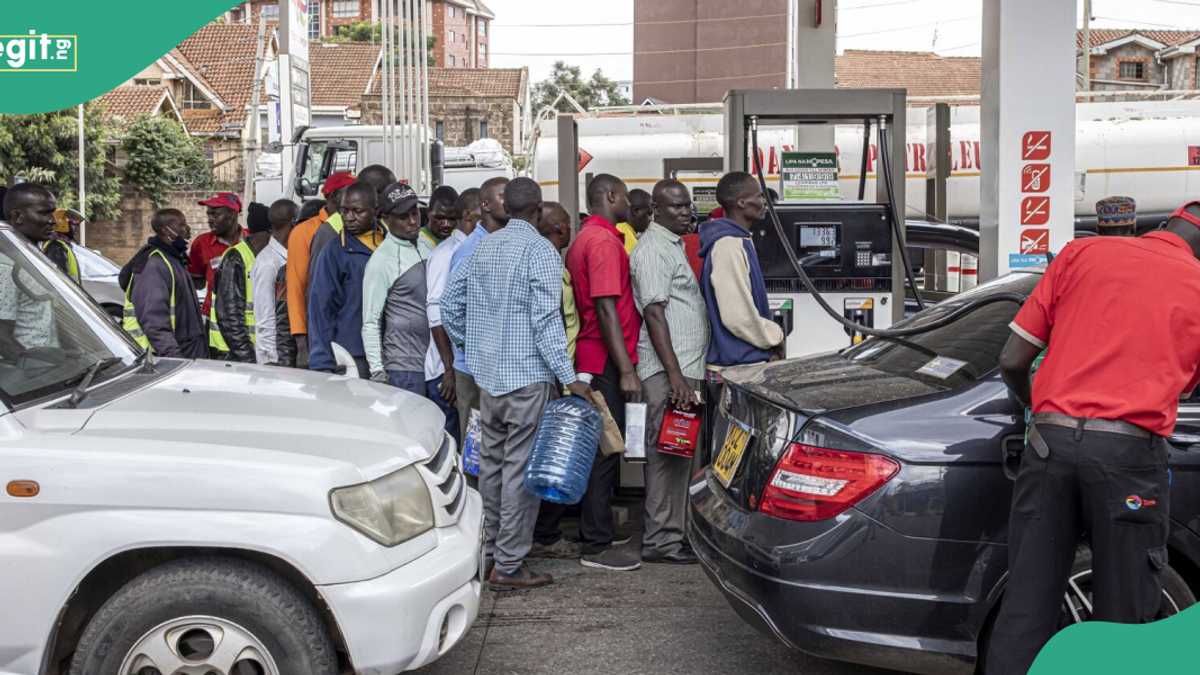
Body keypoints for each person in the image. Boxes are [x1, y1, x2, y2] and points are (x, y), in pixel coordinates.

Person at [984, 202, 1200, 674]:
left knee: (1026, 605)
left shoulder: (1080, 254)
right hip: (1127, 457)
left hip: (1048, 445)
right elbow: (1184, 386)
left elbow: (1012, 360)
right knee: (1126, 615)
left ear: (1161, 227)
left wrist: (1036, 412)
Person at [443, 177, 589, 590]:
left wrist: (473, 344)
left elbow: (451, 304)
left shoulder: (483, 244)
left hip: (489, 378)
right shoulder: (541, 250)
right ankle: (508, 565)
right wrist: (568, 377)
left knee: (489, 465)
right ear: (539, 210)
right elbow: (546, 324)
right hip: (527, 379)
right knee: (519, 472)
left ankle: (487, 550)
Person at [565, 173, 643, 572]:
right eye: (625, 197)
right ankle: (596, 546)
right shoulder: (601, 242)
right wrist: (627, 370)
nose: (629, 203)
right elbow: (606, 308)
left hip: (598, 356)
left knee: (603, 449)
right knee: (603, 452)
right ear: (611, 196)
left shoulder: (590, 237)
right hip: (603, 360)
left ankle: (600, 533)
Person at [629, 179, 708, 565]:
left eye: (686, 205)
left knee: (681, 459)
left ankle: (674, 535)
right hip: (668, 374)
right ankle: (661, 541)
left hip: (683, 369)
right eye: (675, 206)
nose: (684, 211)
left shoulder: (670, 246)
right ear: (656, 210)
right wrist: (676, 376)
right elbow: (654, 313)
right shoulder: (654, 250)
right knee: (666, 458)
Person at [699, 172, 783, 368]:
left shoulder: (740, 240)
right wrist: (774, 335)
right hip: (736, 366)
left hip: (745, 361)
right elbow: (737, 317)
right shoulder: (728, 246)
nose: (764, 202)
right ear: (742, 202)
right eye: (760, 196)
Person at [448, 177, 509, 442]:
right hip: (472, 370)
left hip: (499, 368)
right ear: (485, 204)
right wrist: (472, 344)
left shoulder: (506, 242)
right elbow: (450, 307)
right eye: (503, 196)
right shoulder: (470, 250)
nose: (510, 201)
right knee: (476, 448)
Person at [308, 182, 386, 377]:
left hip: (391, 351)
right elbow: (320, 308)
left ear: (376, 211)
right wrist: (322, 362)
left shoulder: (390, 243)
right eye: (344, 211)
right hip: (353, 356)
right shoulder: (334, 252)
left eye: (357, 211)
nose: (349, 218)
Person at [362, 183, 433, 393]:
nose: (412, 221)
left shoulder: (426, 245)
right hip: (404, 368)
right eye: (404, 217)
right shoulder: (381, 261)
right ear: (386, 219)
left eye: (415, 214)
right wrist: (377, 370)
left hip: (434, 364)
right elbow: (370, 320)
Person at [425, 188, 480, 443]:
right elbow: (436, 313)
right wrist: (449, 369)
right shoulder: (446, 254)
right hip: (447, 369)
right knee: (459, 441)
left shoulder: (471, 247)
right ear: (470, 215)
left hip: (462, 366)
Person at [119, 208, 207, 358]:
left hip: (189, 351)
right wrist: (175, 359)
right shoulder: (154, 265)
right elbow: (154, 323)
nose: (187, 229)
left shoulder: (174, 259)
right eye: (182, 225)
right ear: (166, 230)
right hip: (167, 357)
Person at [288, 171, 355, 366]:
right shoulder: (304, 232)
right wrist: (302, 345)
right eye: (349, 193)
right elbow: (297, 289)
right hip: (317, 335)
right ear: (333, 197)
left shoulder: (356, 226)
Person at [0, 184, 62, 358]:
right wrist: (30, 365)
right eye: (44, 213)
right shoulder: (6, 267)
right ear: (18, 216)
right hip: (29, 376)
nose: (53, 220)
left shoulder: (33, 260)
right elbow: (2, 337)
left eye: (52, 212)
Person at [210, 202, 273, 362]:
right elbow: (229, 316)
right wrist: (247, 358)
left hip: (253, 351)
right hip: (232, 353)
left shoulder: (262, 257)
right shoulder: (235, 258)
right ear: (269, 231)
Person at [309, 165, 396, 278]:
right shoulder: (329, 231)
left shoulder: (383, 226)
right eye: (388, 193)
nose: (393, 199)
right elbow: (320, 285)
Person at [252, 200, 298, 366]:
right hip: (275, 357)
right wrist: (271, 358)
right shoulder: (268, 262)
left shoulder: (287, 254)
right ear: (294, 221)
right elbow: (265, 314)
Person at [189, 192, 245, 318]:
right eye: (208, 214)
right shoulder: (201, 243)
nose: (210, 219)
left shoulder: (252, 240)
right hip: (213, 318)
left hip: (248, 317)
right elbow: (197, 280)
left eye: (215, 214)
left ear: (232, 214)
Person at [42, 207, 83, 283]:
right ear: (62, 224)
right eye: (73, 225)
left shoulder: (62, 244)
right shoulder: (57, 246)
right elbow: (60, 278)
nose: (75, 229)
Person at [421, 185, 460, 249]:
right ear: (428, 212)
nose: (446, 224)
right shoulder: (417, 241)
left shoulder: (460, 240)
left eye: (452, 219)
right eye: (440, 218)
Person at [616, 188, 652, 254]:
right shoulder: (626, 235)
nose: (651, 219)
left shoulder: (620, 227)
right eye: (649, 214)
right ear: (636, 211)